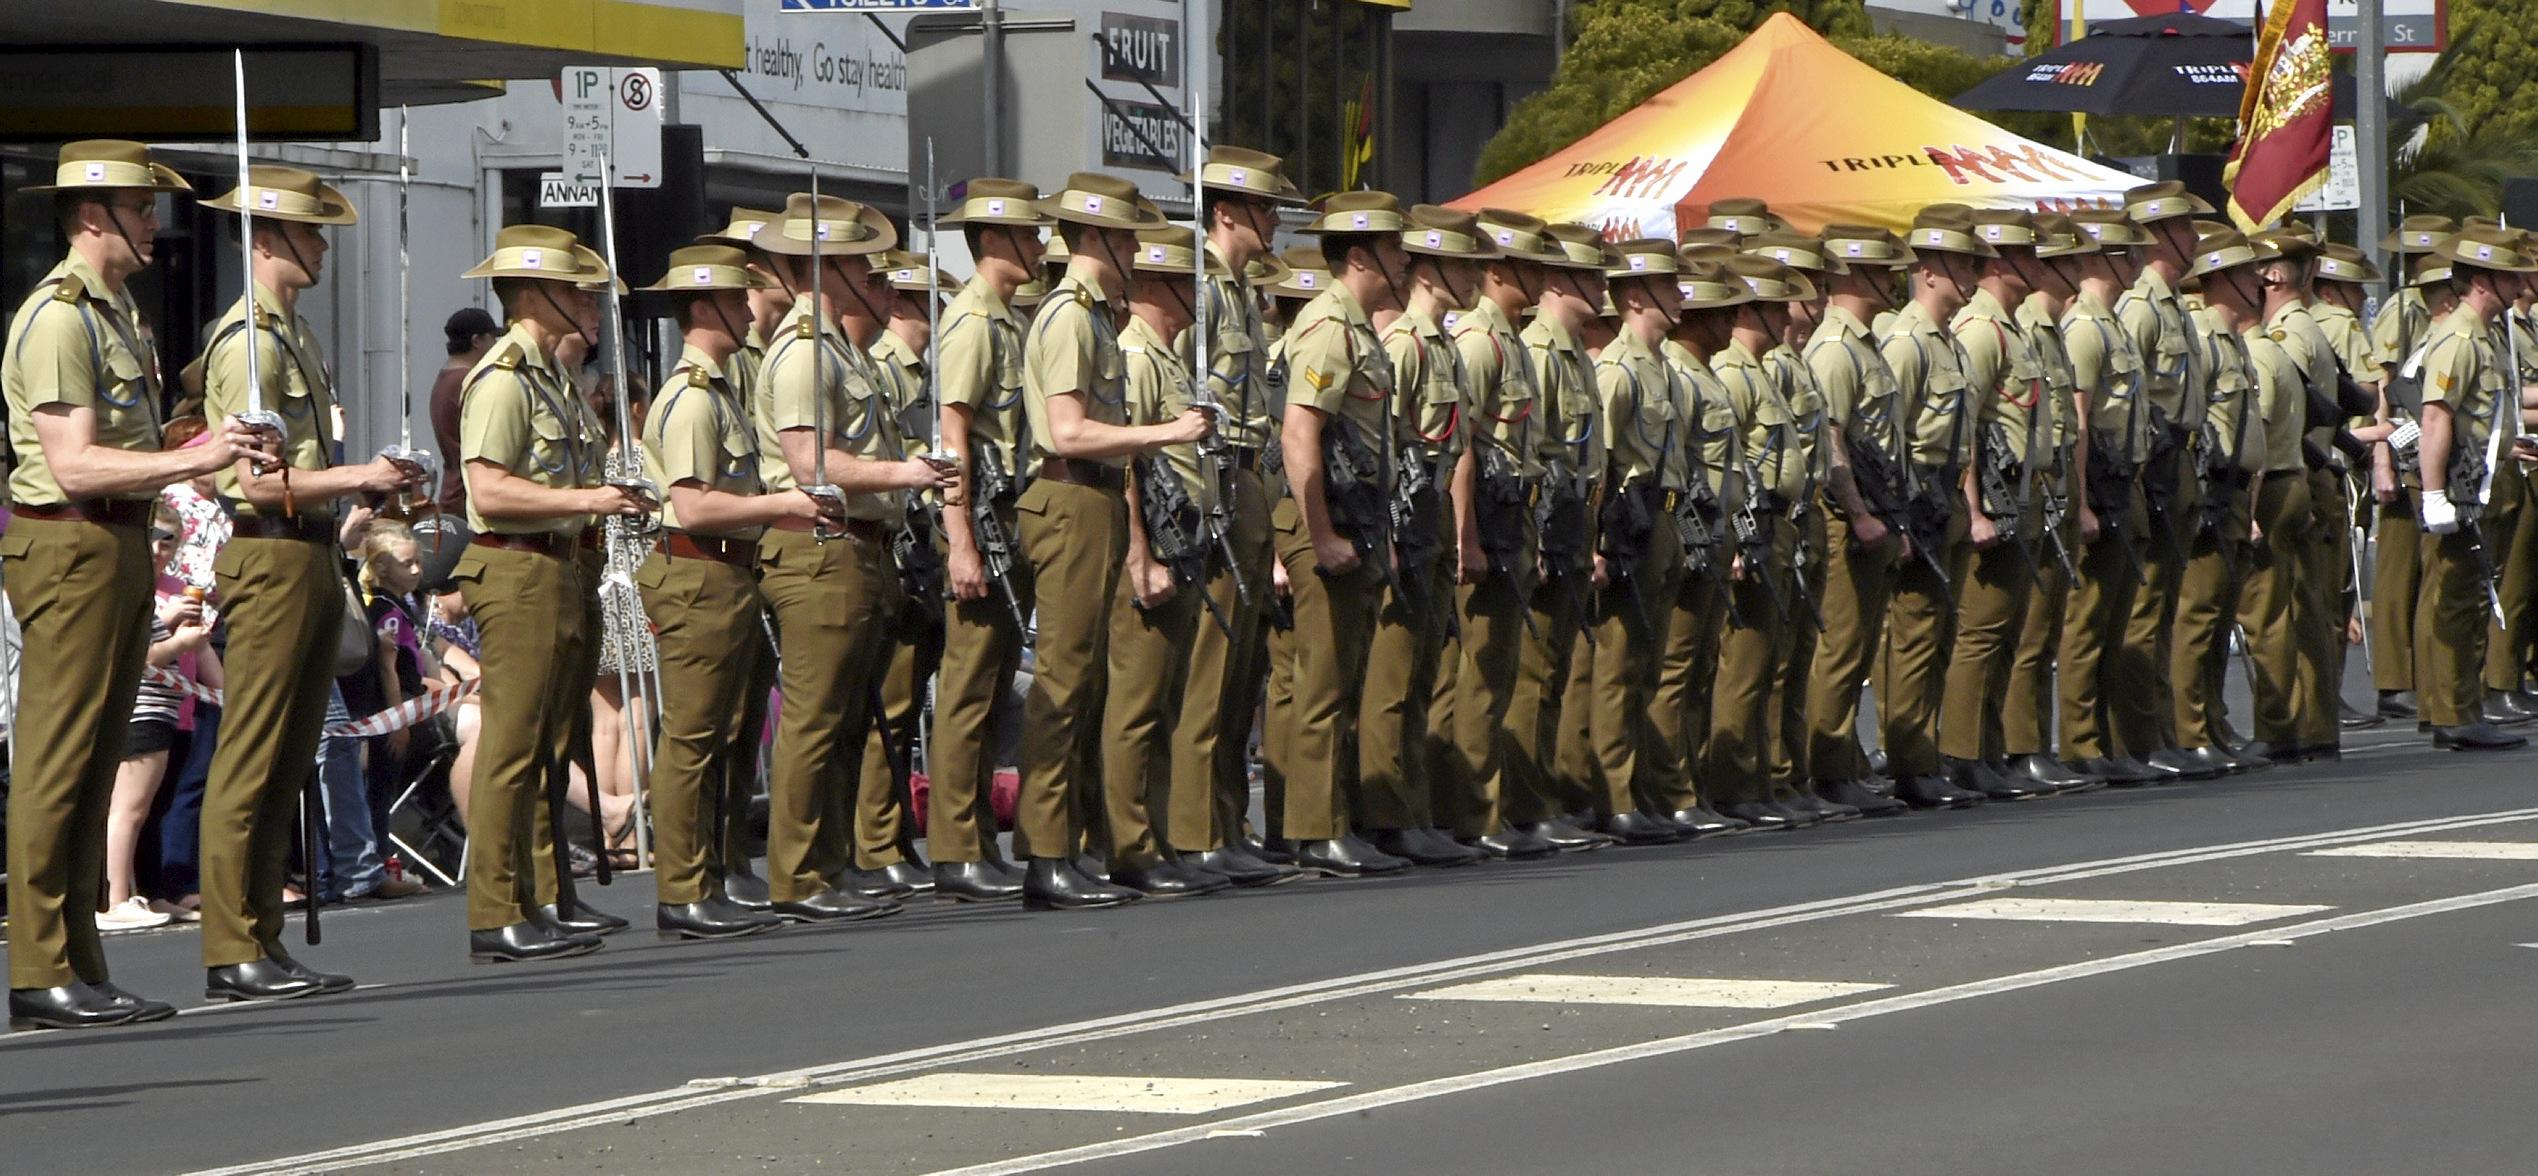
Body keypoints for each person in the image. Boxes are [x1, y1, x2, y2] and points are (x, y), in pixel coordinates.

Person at [4, 140, 271, 1030]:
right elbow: (73, 465)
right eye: (140, 208)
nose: (156, 223)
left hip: (115, 546)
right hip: (72, 546)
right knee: (61, 758)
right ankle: (43, 965)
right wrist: (198, 456)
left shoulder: (117, 312)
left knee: (94, 754)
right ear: (93, 217)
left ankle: (77, 957)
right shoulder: (59, 317)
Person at [451, 224, 649, 964]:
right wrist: (596, 500)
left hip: (561, 564)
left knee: (544, 744)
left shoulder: (551, 377)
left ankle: (536, 895)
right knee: (511, 745)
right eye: (575, 292)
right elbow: (490, 488)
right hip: (516, 566)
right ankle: (496, 907)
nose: (588, 305)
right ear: (534, 295)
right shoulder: (504, 376)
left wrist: (599, 504)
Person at [750, 192, 947, 920]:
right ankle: (799, 877)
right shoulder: (806, 351)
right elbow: (810, 464)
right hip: (819, 548)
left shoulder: (837, 348)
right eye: (862, 262)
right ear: (827, 268)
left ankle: (827, 866)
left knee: (842, 721)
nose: (876, 275)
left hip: (854, 549)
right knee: (815, 719)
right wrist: (907, 474)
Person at [632, 243, 809, 940]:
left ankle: (708, 876)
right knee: (693, 737)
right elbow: (696, 505)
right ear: (705, 308)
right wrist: (783, 507)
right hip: (696, 569)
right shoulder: (692, 399)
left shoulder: (724, 389)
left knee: (723, 733)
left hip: (725, 571)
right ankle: (682, 890)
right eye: (736, 301)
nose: (748, 311)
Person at [1173, 147, 1307, 886]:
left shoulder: (1240, 294)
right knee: (1211, 666)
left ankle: (1226, 822)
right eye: (1265, 209)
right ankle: (1195, 829)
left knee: (1242, 673)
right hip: (1217, 480)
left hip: (1251, 480)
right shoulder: (1202, 289)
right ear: (1228, 213)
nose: (1275, 222)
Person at [1094, 225, 1235, 897]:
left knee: (1167, 702)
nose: (1196, 297)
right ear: (1154, 286)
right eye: (1186, 283)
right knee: (1136, 706)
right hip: (1151, 547)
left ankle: (1152, 835)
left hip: (1184, 541)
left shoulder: (1169, 357)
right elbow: (1127, 464)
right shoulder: (1137, 357)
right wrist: (1138, 558)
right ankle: (1127, 843)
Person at [928, 180, 1048, 902]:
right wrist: (960, 540)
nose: (1038, 246)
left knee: (995, 681)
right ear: (995, 241)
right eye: (1029, 235)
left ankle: (973, 838)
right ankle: (954, 846)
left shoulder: (1007, 320)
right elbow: (953, 439)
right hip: (982, 522)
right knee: (968, 690)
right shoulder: (972, 322)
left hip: (1008, 519)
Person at [2411, 225, 2534, 750]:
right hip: (2460, 486)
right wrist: (2434, 493)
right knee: (2456, 600)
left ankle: (2460, 708)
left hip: (2481, 477)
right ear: (2483, 281)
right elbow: (2436, 418)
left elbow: (2476, 418)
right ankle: (2454, 713)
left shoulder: (2487, 335)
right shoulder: (2460, 339)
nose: (2521, 281)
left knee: (2469, 599)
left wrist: (2507, 447)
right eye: (2510, 274)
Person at [100, 507, 211, 934]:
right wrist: (178, 636)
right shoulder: (129, 591)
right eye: (154, 537)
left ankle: (144, 891)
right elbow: (137, 657)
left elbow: (200, 657)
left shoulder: (155, 589)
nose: (159, 549)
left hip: (168, 712)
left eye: (169, 540)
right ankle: (115, 900)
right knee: (127, 810)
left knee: (149, 810)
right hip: (140, 710)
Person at [430, 306, 501, 518]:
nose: (496, 346)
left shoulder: (445, 377)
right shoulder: (469, 382)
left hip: (453, 491)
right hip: (467, 496)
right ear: (477, 341)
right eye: (492, 339)